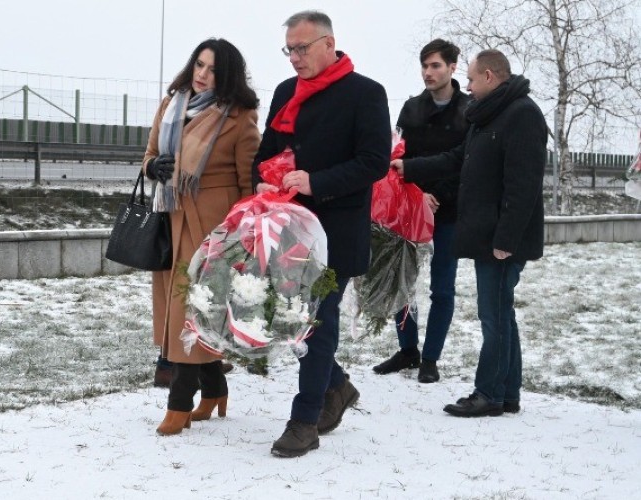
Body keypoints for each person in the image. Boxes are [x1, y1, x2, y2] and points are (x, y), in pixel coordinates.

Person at [253, 11, 390, 457]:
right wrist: (263, 179)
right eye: (289, 49)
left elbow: (373, 162)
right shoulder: (285, 92)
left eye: (302, 48)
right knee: (292, 320)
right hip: (290, 230)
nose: (294, 58)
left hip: (336, 232)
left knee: (316, 321)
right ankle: (337, 386)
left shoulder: (366, 93)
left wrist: (316, 182)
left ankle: (304, 420)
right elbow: (267, 151)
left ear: (329, 43)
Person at [392, 49, 547, 417]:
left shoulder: (522, 115)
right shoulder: (488, 116)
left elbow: (523, 186)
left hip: (502, 239)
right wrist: (408, 167)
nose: (470, 87)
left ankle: (489, 394)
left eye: (474, 80)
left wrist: (506, 240)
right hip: (487, 234)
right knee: (500, 314)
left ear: (491, 77)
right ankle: (507, 393)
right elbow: (457, 159)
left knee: (493, 316)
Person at [144, 38, 261, 435]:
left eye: (212, 69)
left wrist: (244, 235)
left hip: (213, 226)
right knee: (180, 308)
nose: (201, 74)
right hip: (170, 217)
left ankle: (179, 400)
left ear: (225, 75)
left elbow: (248, 181)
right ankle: (214, 388)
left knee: (190, 310)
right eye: (198, 64)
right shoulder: (171, 103)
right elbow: (147, 154)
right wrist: (154, 168)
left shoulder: (240, 116)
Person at [372, 39, 469, 383]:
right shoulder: (412, 109)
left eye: (436, 66)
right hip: (410, 209)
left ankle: (430, 358)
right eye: (425, 66)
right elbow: (398, 160)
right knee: (402, 282)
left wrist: (437, 195)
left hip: (449, 212)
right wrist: (420, 192)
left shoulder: (469, 110)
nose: (429, 72)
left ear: (453, 67)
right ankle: (407, 349)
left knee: (442, 288)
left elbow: (465, 163)